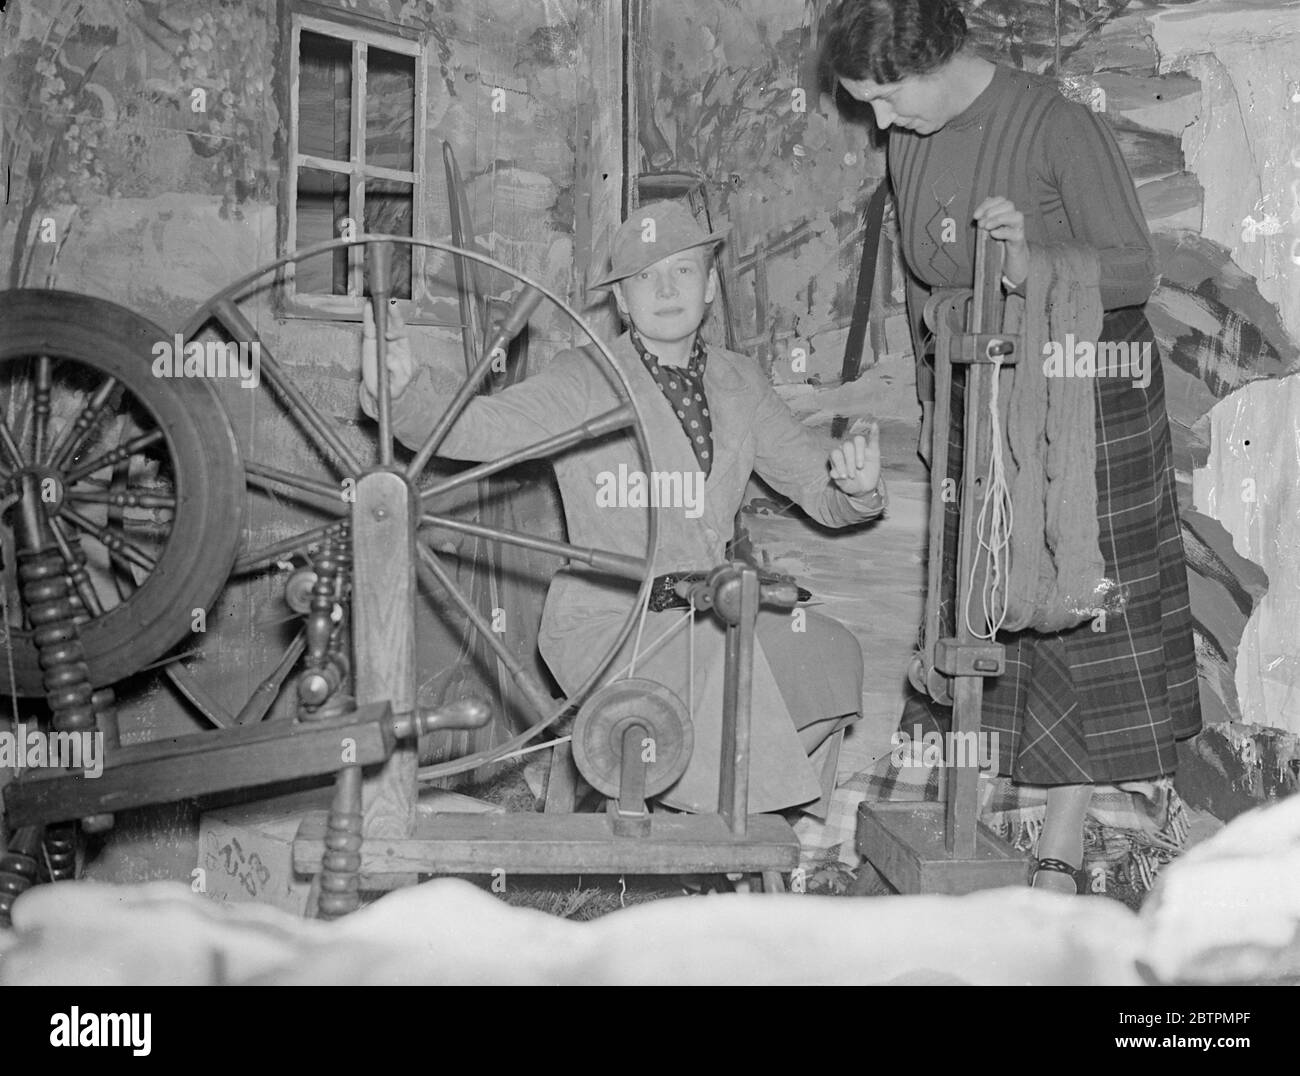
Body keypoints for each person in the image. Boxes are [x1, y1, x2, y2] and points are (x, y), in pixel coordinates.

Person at [820, 0, 1201, 891]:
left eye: (884, 95)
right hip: (976, 389)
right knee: (980, 597)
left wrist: (1033, 264)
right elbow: (924, 288)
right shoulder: (911, 136)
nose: (877, 121)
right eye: (862, 101)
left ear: (938, 55)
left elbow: (1135, 267)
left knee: (1074, 604)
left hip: (1080, 391)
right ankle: (962, 820)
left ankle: (1062, 850)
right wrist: (933, 403)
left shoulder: (1056, 124)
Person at [358, 200, 887, 816]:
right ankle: (730, 823)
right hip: (609, 618)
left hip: (708, 606)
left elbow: (819, 493)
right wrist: (401, 393)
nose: (665, 289)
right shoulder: (587, 376)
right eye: (643, 277)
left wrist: (856, 490)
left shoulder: (743, 384)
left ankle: (725, 806)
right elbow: (482, 429)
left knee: (827, 651)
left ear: (710, 285)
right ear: (622, 302)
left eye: (682, 271)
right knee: (721, 664)